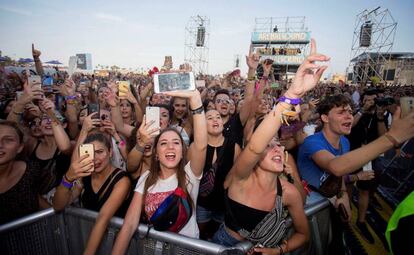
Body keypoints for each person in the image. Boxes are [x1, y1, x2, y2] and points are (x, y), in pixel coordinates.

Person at [212, 39, 328, 254]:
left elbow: (303, 234)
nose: (278, 149)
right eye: (269, 144)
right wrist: (292, 95)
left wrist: (279, 250)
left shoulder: (288, 192)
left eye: (279, 145)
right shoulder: (241, 176)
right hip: (224, 245)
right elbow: (255, 144)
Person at [112, 89, 207, 254]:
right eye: (163, 143)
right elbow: (129, 225)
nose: (170, 146)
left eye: (176, 142)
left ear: (183, 151)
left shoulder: (190, 175)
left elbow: (201, 145)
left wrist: (196, 101)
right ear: (156, 153)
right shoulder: (146, 178)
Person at [53, 128, 131, 255]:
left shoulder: (122, 181)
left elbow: (103, 218)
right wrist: (68, 178)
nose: (95, 158)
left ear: (110, 152)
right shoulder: (85, 177)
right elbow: (58, 205)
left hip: (117, 245)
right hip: (89, 238)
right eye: (89, 153)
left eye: (100, 152)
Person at [197, 109, 241, 240]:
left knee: (217, 237)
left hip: (223, 206)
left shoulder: (234, 147)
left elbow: (238, 179)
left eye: (218, 117)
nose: (215, 119)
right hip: (201, 205)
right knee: (200, 237)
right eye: (210, 118)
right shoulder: (197, 147)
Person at [0, 120, 52, 224]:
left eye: (8, 140)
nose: (0, 145)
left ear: (20, 147)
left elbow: (37, 201)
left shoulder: (31, 171)